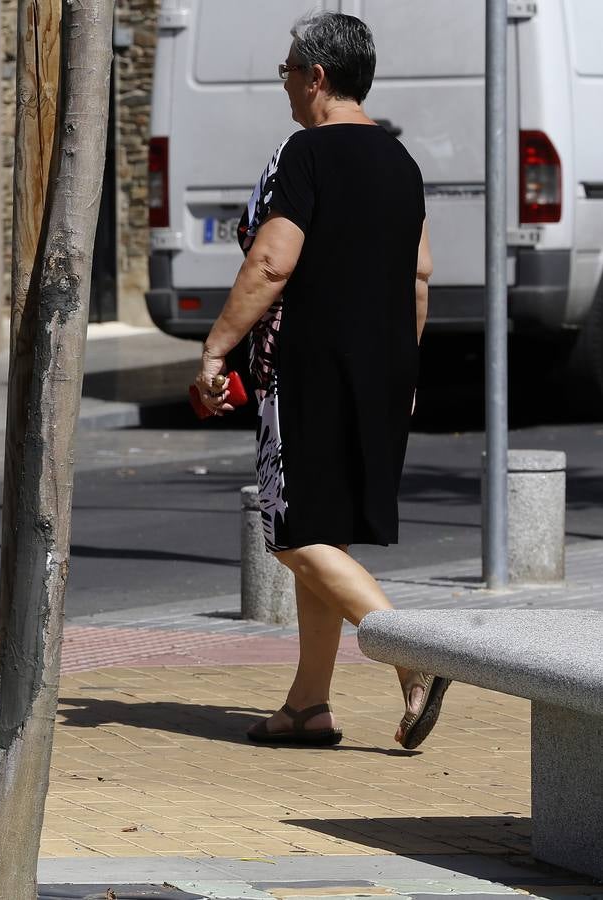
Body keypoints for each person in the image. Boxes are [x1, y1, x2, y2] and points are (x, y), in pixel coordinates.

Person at [193, 12, 449, 749]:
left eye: (286, 70)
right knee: (324, 530)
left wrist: (216, 351)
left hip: (309, 366)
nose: (283, 84)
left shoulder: (304, 154)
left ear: (317, 77)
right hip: (383, 366)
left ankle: (412, 658)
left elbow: (271, 262)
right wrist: (404, 364)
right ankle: (308, 704)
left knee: (292, 532)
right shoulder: (401, 161)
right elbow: (420, 275)